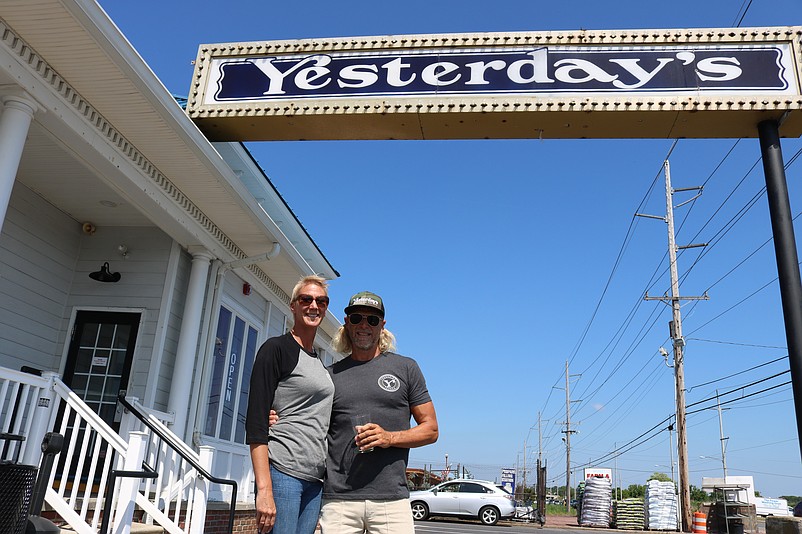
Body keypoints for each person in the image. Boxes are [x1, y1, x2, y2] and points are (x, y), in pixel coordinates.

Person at [319, 291, 439, 534]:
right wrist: (278, 417)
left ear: (382, 326)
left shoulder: (406, 368)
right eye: (357, 318)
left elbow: (431, 430)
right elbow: (311, 423)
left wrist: (389, 438)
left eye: (372, 320)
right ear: (346, 322)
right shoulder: (329, 375)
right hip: (339, 500)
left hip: (391, 500)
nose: (364, 325)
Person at [246, 275, 335, 534]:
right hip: (283, 472)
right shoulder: (276, 349)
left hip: (315, 480)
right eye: (306, 299)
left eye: (321, 301)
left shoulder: (320, 364)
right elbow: (256, 421)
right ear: (293, 305)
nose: (314, 306)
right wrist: (264, 490)